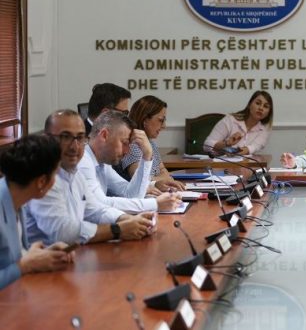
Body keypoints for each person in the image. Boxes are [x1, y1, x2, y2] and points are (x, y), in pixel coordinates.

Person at [24, 110, 155, 245]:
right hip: (46, 256)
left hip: (71, 254)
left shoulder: (75, 175)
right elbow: (61, 232)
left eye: (80, 138)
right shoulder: (41, 177)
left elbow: (96, 210)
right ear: (47, 139)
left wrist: (127, 220)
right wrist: (118, 230)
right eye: (65, 137)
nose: (74, 146)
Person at [0, 135, 73, 290]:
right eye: (55, 174)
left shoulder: (17, 200)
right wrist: (25, 265)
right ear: (41, 181)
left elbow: (13, 258)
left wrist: (44, 254)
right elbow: (19, 264)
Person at [78, 110, 181, 213]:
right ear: (104, 135)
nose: (127, 151)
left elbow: (131, 195)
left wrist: (147, 156)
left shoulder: (102, 163)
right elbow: (99, 204)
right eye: (124, 143)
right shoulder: (82, 161)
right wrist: (155, 204)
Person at [119, 95, 185, 193]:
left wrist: (158, 178)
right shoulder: (132, 145)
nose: (164, 126)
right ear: (145, 120)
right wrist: (160, 179)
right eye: (161, 120)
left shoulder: (151, 143)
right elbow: (139, 180)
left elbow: (163, 171)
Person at [204, 90, 273, 155]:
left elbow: (254, 147)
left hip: (246, 163)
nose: (261, 108)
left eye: (265, 106)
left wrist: (235, 151)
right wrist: (227, 143)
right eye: (258, 103)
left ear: (268, 112)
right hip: (221, 162)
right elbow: (207, 145)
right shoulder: (230, 120)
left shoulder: (265, 129)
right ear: (249, 105)